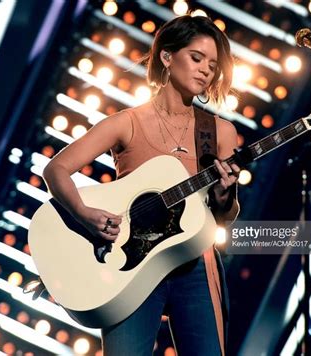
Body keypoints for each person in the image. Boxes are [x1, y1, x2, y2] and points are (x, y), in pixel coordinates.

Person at [42, 15, 240, 355]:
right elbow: (56, 169)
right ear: (166, 56)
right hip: (129, 267)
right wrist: (83, 213)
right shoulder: (127, 123)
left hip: (194, 264)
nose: (206, 70)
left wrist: (225, 195)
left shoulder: (220, 132)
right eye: (196, 58)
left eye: (213, 65)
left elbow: (225, 215)